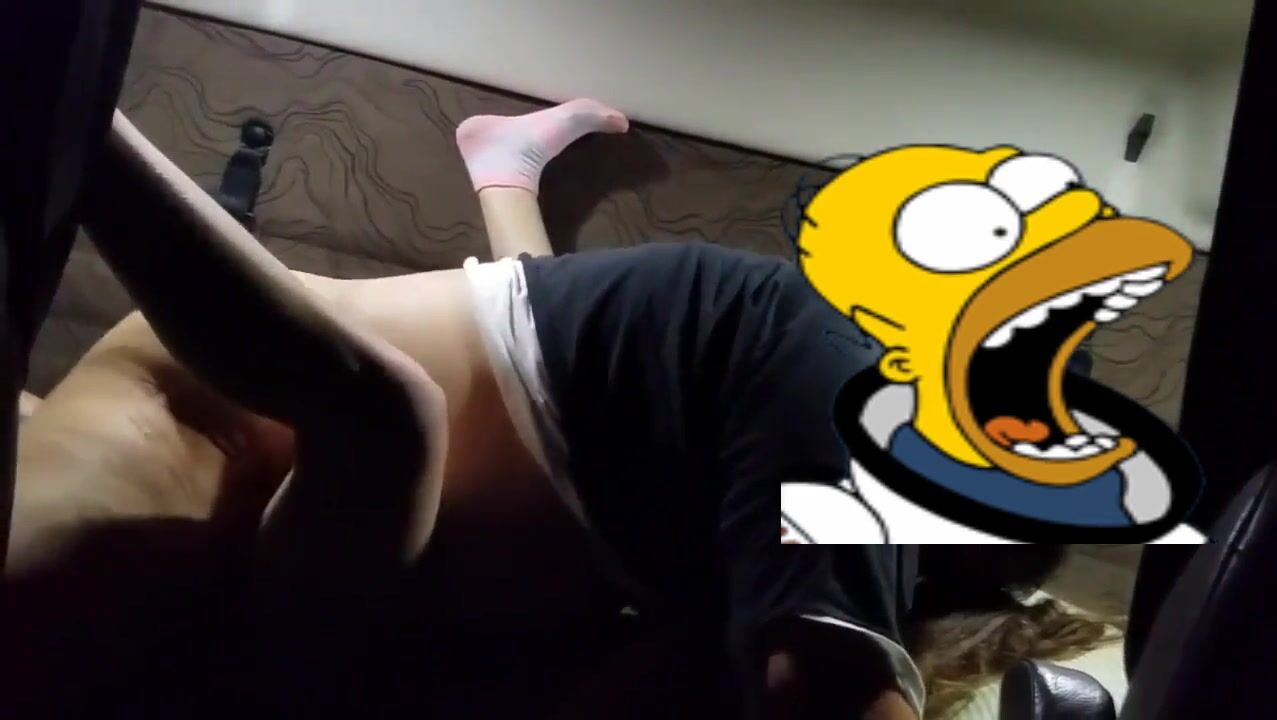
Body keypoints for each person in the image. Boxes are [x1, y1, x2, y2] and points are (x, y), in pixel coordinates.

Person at [6, 100, 1113, 719]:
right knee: (391, 420)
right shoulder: (834, 386)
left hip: (344, 518)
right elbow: (826, 689)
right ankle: (64, 90)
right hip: (214, 417)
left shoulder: (738, 499)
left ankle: (505, 169)